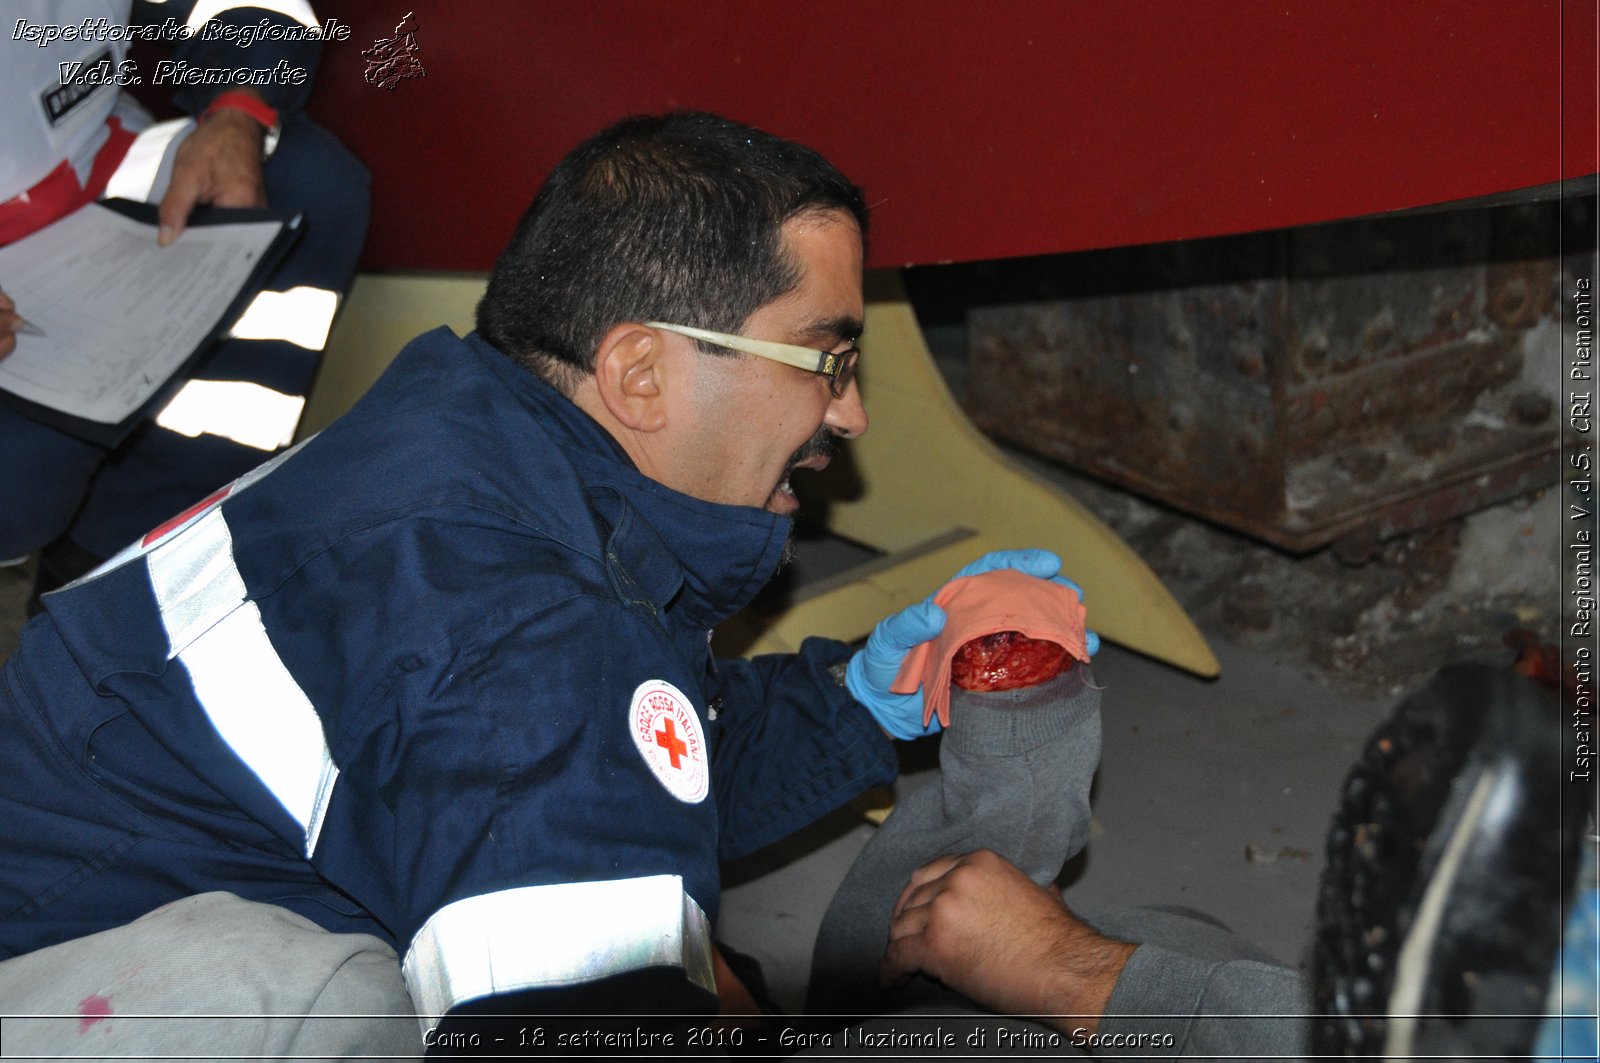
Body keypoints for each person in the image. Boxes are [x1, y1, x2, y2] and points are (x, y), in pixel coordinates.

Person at [0, 109, 1082, 1048]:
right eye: (825, 359)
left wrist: (848, 702)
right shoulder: (518, 637)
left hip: (106, 891)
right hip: (81, 998)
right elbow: (549, 729)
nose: (848, 413)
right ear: (641, 372)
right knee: (355, 1006)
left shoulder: (478, 435)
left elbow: (625, 743)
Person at [0, 0, 369, 591]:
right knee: (16, 496)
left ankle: (140, 550)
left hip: (99, 158)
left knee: (306, 184)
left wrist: (239, 106)